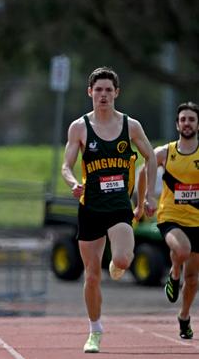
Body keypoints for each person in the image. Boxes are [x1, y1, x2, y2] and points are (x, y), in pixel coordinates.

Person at [61, 67, 158, 353]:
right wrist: (72, 183)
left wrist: (147, 197)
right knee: (91, 275)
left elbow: (150, 157)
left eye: (108, 90)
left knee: (124, 260)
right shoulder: (79, 127)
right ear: (90, 93)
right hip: (89, 206)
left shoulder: (131, 126)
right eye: (98, 90)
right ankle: (95, 330)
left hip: (118, 205)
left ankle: (116, 263)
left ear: (116, 93)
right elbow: (66, 164)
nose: (103, 95)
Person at [136, 101, 199, 340]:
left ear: (198, 124)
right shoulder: (166, 152)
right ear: (177, 124)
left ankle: (184, 317)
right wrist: (145, 199)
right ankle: (173, 274)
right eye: (183, 119)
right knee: (182, 249)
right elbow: (143, 171)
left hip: (197, 221)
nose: (187, 123)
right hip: (170, 216)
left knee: (192, 280)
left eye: (191, 119)